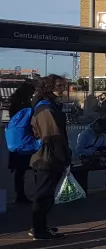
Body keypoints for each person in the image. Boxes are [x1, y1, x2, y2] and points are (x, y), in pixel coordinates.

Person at [29, 74, 71, 240]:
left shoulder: (50, 104)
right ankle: (38, 229)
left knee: (46, 194)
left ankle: (40, 226)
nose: (62, 89)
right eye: (59, 85)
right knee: (43, 194)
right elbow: (52, 135)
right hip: (46, 158)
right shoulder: (46, 108)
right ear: (49, 86)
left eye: (63, 85)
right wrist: (64, 157)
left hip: (48, 156)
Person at [75, 118, 106, 196]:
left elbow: (102, 147)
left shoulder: (102, 136)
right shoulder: (84, 134)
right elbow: (79, 150)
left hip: (98, 156)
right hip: (86, 157)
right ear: (97, 126)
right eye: (102, 130)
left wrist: (103, 151)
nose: (102, 133)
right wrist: (92, 152)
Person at [7, 81, 36, 204]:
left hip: (15, 137)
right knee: (32, 166)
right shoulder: (25, 105)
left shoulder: (14, 103)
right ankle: (24, 194)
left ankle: (20, 194)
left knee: (20, 170)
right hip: (25, 137)